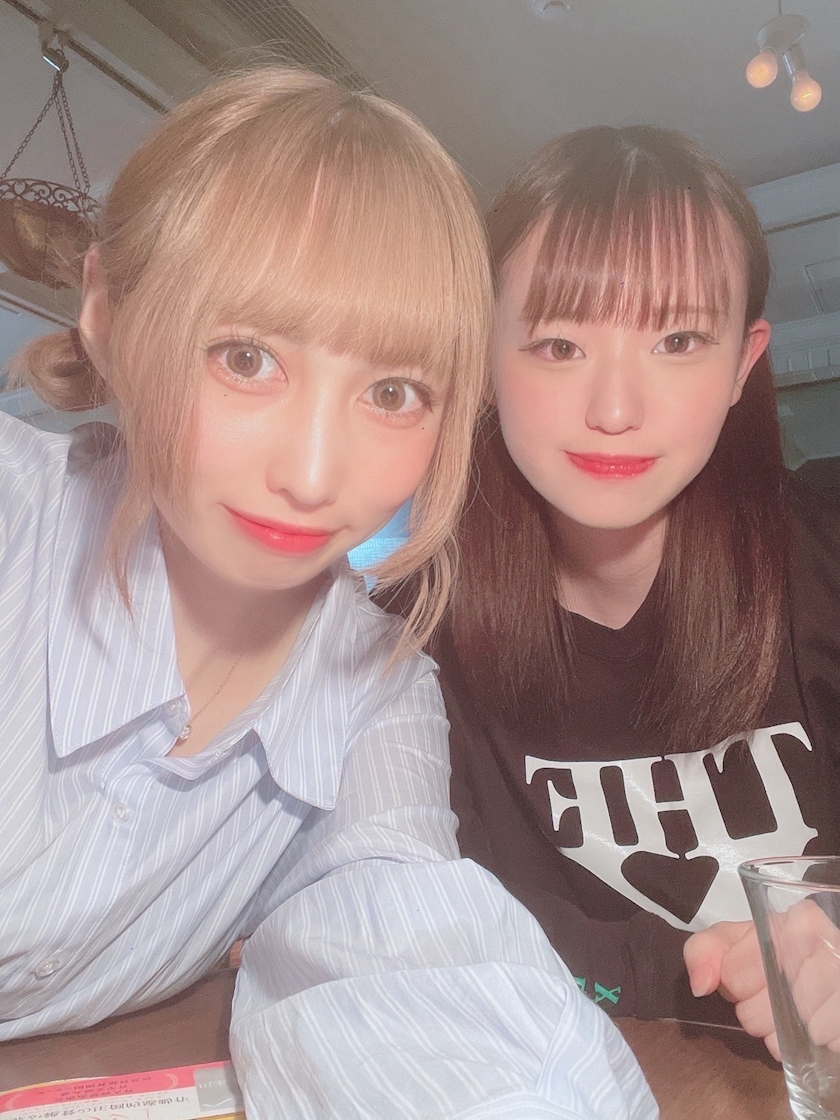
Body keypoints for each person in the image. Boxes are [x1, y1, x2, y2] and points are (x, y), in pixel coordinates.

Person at [0, 69, 657, 1118]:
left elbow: (405, 957)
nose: (313, 474)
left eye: (393, 392)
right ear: (110, 318)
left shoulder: (378, 694)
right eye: (246, 357)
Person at [432, 123, 840, 1046]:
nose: (614, 410)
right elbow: (426, 930)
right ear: (485, 357)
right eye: (558, 344)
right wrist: (687, 976)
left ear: (743, 364)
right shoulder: (412, 644)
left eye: (678, 339)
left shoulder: (822, 564)